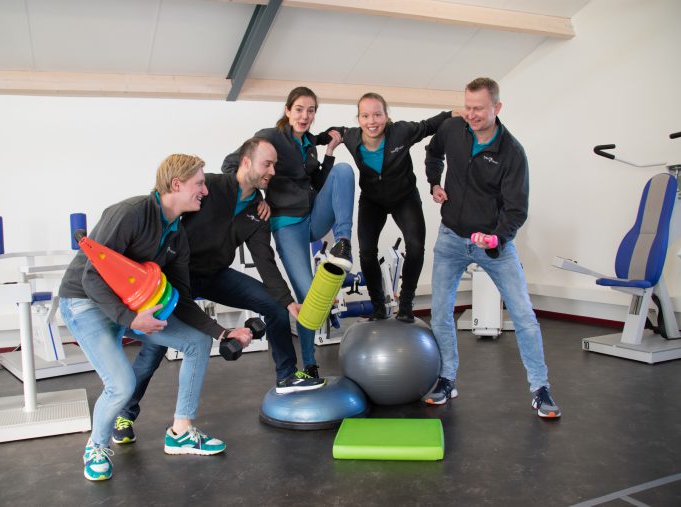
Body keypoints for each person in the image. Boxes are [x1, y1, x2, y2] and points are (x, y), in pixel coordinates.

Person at [111, 137, 326, 444]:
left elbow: (264, 260)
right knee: (154, 349)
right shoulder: (209, 187)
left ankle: (286, 376)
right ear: (247, 163)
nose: (272, 171)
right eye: (267, 164)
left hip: (214, 275)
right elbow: (166, 209)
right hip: (176, 276)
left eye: (274, 165)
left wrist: (288, 301)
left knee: (274, 305)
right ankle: (125, 413)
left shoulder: (258, 211)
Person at [58, 154, 254, 481]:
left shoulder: (177, 236)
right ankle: (96, 447)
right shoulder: (130, 213)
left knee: (196, 341)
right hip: (85, 301)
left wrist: (222, 333)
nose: (205, 190)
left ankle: (181, 431)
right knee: (121, 385)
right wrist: (131, 319)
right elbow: (91, 277)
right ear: (176, 184)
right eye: (199, 183)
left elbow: (180, 298)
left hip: (132, 305)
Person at [423, 77, 561, 419]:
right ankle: (446, 379)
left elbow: (517, 210)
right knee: (440, 313)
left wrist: (497, 237)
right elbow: (433, 152)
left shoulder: (511, 152)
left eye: (479, 109)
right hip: (451, 238)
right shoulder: (453, 128)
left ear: (496, 107)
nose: (471, 115)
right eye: (468, 107)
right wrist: (434, 182)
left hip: (493, 244)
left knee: (524, 315)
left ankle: (540, 388)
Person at [222, 86, 355, 378]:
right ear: (287, 110)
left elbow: (319, 184)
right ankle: (309, 363)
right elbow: (230, 165)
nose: (305, 116)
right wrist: (257, 199)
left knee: (343, 170)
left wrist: (328, 153)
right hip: (287, 224)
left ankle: (343, 242)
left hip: (313, 216)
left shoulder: (309, 143)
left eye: (311, 110)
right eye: (299, 109)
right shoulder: (270, 137)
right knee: (308, 296)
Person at [324, 93, 454, 322]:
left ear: (386, 116)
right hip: (372, 200)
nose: (371, 121)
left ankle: (406, 305)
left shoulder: (401, 132)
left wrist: (454, 113)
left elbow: (429, 125)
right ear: (358, 118)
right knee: (366, 252)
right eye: (365, 116)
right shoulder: (351, 136)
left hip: (404, 197)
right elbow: (322, 136)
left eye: (377, 115)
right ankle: (377, 307)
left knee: (416, 247)